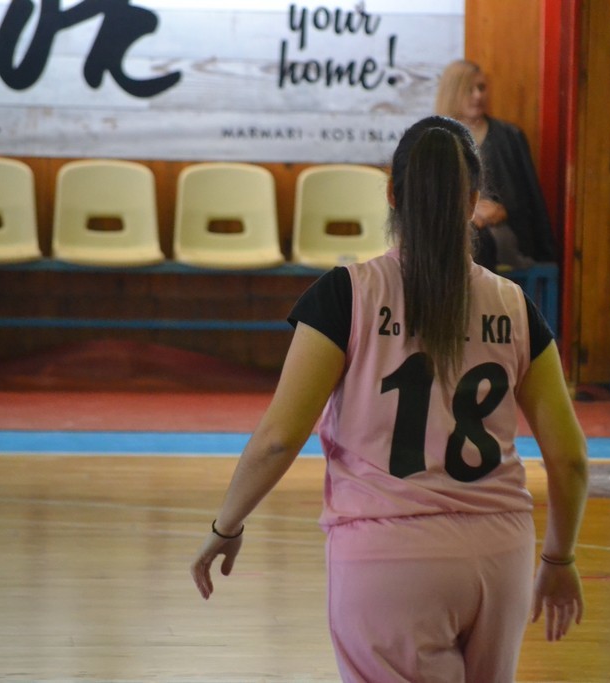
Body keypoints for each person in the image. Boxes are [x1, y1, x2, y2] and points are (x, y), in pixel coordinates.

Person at [191, 115, 588, 682]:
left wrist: (225, 527)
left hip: (387, 555)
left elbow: (279, 438)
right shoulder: (516, 306)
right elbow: (570, 459)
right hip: (501, 557)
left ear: (392, 194)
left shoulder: (346, 295)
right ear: (472, 201)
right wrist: (559, 557)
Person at [435, 59, 558, 271]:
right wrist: (467, 212)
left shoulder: (510, 137)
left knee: (482, 241)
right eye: (469, 89)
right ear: (452, 92)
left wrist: (502, 211)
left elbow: (529, 202)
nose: (478, 95)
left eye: (481, 88)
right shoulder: (435, 141)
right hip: (453, 234)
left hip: (503, 236)